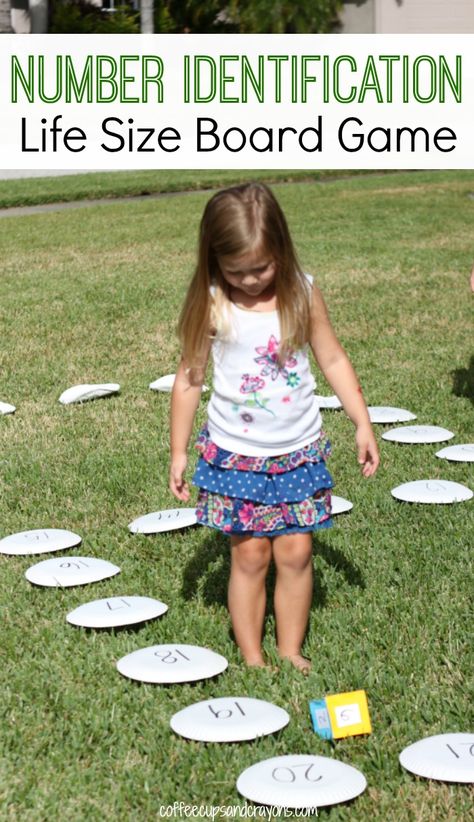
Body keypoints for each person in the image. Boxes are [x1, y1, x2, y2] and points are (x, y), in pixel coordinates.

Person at [169, 182, 379, 673]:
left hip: (297, 451)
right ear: (214, 260)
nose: (250, 280)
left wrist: (362, 422)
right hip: (235, 453)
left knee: (297, 551)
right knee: (249, 557)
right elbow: (189, 378)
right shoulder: (215, 302)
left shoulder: (301, 293)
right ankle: (253, 655)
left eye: (261, 268)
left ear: (281, 251)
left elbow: (332, 357)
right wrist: (179, 451)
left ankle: (290, 649)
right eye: (236, 270)